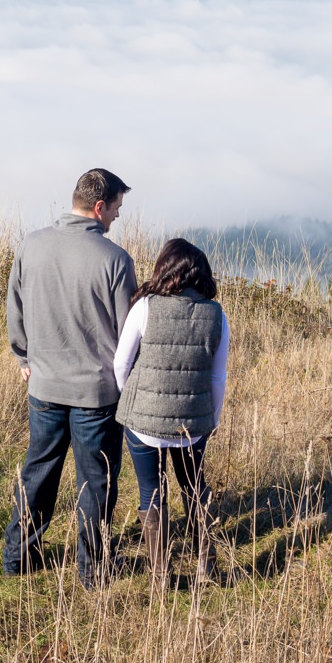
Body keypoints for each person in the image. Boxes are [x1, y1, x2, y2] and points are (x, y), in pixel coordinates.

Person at [3, 168, 136, 589]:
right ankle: (93, 570)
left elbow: (16, 304)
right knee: (95, 481)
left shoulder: (32, 244)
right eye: (116, 208)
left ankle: (18, 557)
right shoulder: (115, 260)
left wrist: (23, 354)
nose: (117, 216)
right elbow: (126, 333)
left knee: (38, 471)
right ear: (99, 207)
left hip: (43, 385)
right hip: (96, 396)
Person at [113, 237, 230, 586]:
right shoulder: (216, 315)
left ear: (166, 269)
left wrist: (131, 401)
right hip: (193, 423)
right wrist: (212, 418)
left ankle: (161, 575)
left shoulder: (145, 307)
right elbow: (217, 375)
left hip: (142, 422)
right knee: (194, 488)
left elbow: (121, 363)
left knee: (152, 491)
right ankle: (206, 568)